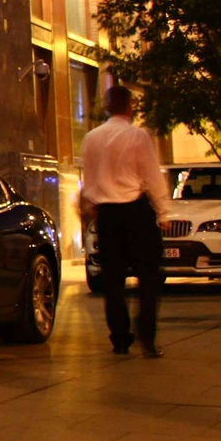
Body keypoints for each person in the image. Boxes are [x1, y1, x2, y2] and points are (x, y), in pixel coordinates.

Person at [81, 85, 170, 358]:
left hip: (108, 214)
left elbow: (89, 178)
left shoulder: (91, 139)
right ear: (130, 106)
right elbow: (151, 175)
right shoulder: (138, 136)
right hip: (135, 211)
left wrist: (91, 205)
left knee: (113, 281)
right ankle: (148, 337)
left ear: (107, 107)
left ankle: (119, 337)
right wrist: (164, 211)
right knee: (148, 277)